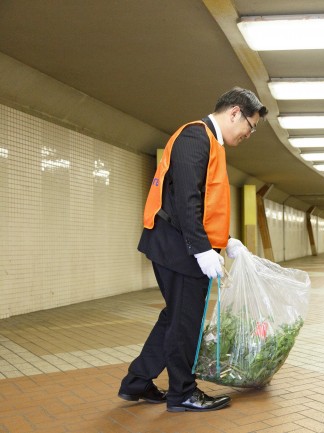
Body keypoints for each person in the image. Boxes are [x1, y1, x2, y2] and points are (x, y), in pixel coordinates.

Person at [118, 87, 268, 412]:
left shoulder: (210, 143)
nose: (249, 134)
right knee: (186, 320)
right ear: (234, 113)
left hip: (176, 242)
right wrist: (201, 249)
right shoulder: (195, 137)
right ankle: (182, 393)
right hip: (178, 247)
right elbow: (186, 198)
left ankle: (137, 381)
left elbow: (202, 203)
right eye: (251, 126)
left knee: (175, 316)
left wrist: (223, 241)